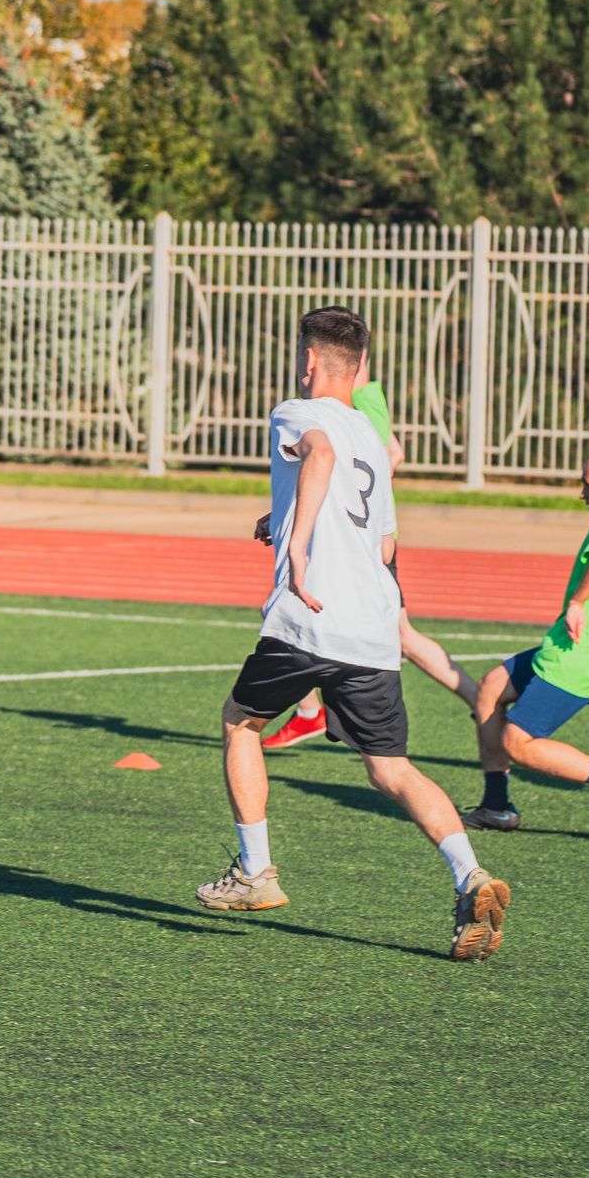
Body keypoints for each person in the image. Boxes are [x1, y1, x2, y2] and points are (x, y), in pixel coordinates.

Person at [196, 307, 512, 962]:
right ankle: (470, 874)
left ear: (310, 361)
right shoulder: (374, 435)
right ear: (360, 366)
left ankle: (256, 872)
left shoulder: (295, 413)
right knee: (390, 767)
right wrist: (280, 514)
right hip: (370, 627)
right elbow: (384, 536)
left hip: (308, 614)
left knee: (239, 722)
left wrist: (301, 545)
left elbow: (319, 453)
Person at [259, 342, 478, 750]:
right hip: (365, 533)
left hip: (366, 539)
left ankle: (479, 699)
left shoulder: (361, 401)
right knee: (289, 611)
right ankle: (310, 713)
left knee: (403, 639)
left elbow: (387, 454)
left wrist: (358, 511)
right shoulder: (353, 403)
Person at [460, 446, 589, 843]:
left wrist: (577, 602)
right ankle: (497, 806)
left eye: (587, 485)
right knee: (490, 688)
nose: (582, 494)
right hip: (570, 644)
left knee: (517, 742)